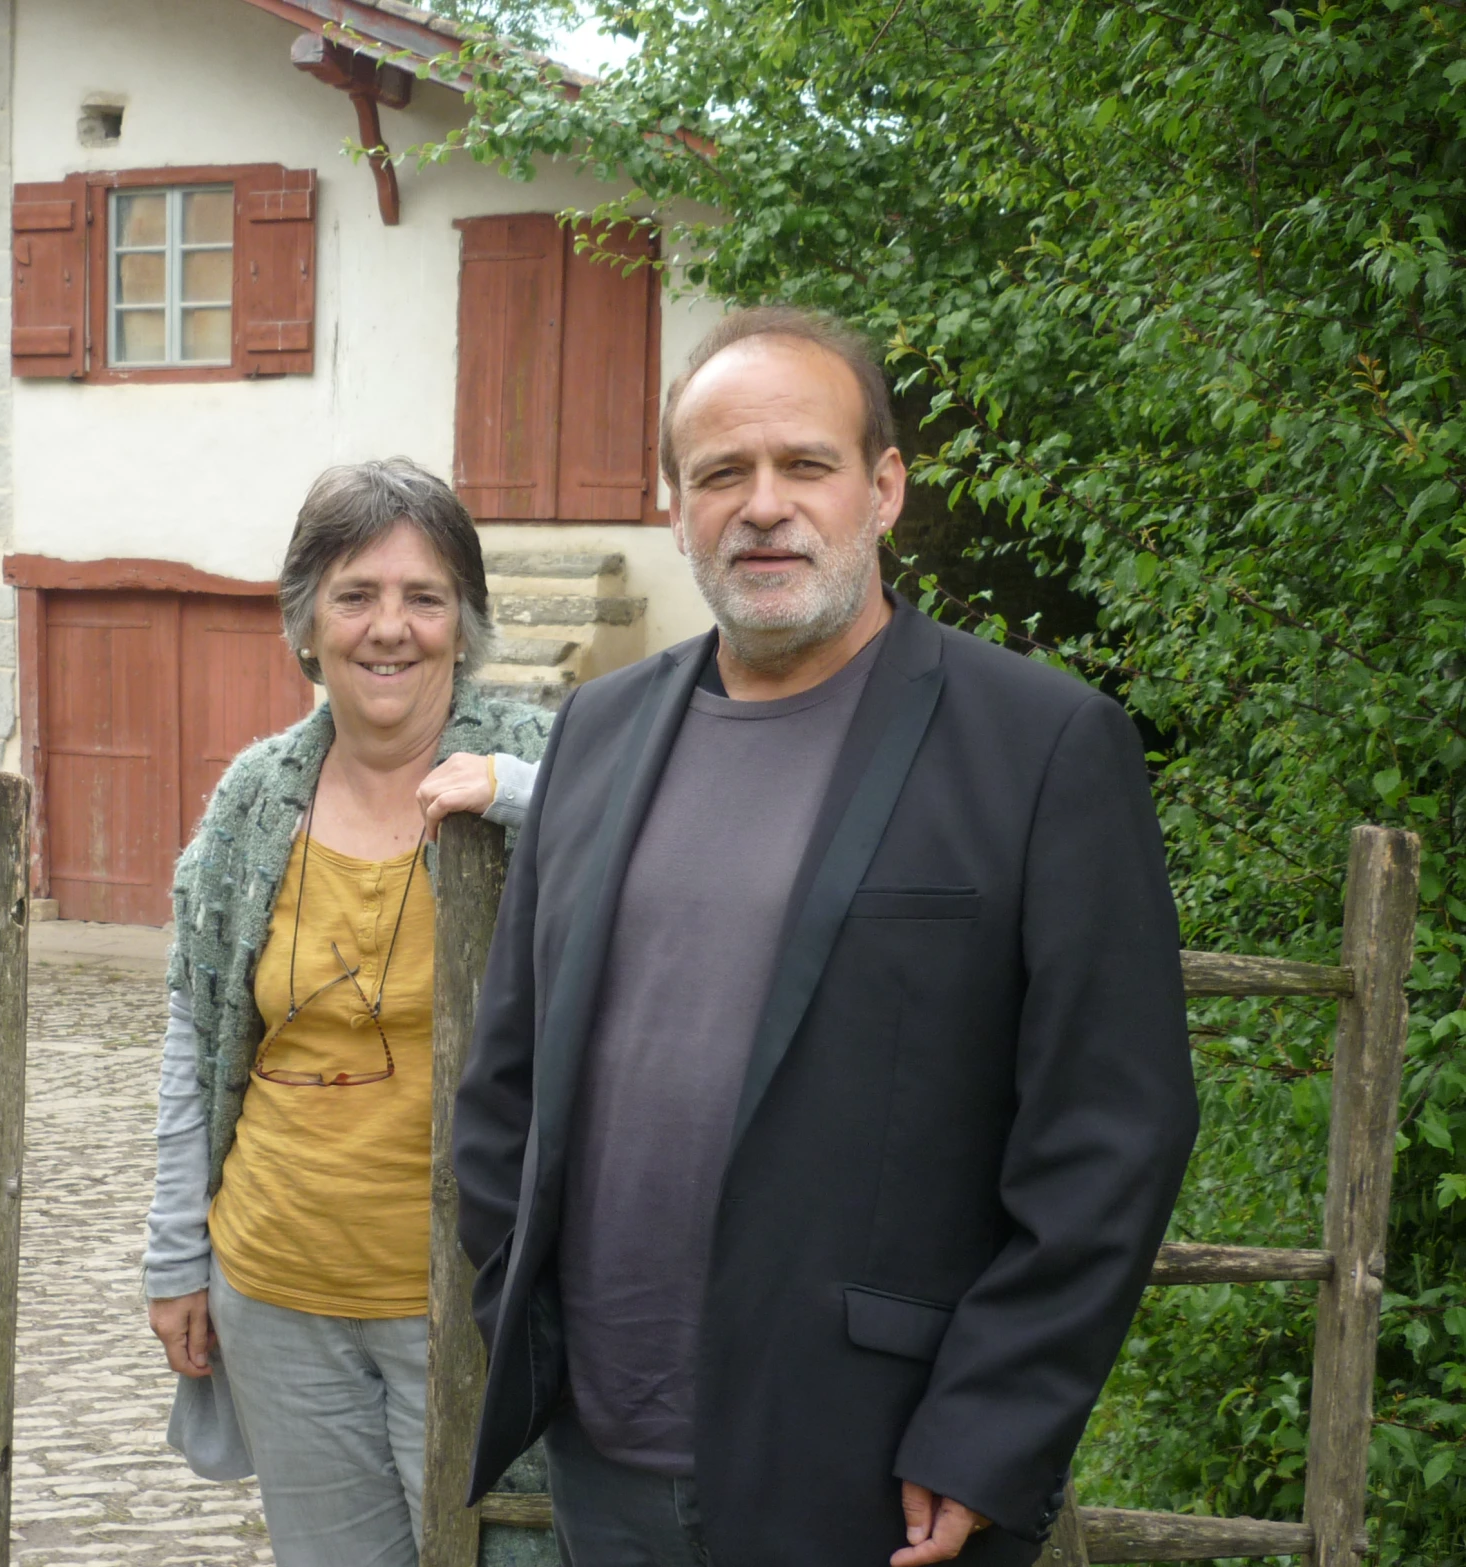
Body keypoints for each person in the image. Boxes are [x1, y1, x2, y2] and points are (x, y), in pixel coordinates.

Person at [452, 306, 1199, 1566]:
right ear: (673, 502)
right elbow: (507, 1079)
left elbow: (1110, 1135)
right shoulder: (596, 732)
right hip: (603, 1451)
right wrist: (519, 1306)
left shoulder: (1041, 746)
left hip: (878, 1470)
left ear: (884, 487)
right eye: (720, 473)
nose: (762, 505)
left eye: (805, 464)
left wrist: (988, 1428)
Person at [143, 459, 551, 1566]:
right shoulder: (254, 797)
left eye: (424, 597)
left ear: (462, 624)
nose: (391, 628)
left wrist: (510, 794)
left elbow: (664, 843)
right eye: (355, 594)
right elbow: (197, 1038)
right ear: (305, 622)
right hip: (275, 1288)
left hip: (472, 1304)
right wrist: (176, 1257)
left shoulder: (548, 762)